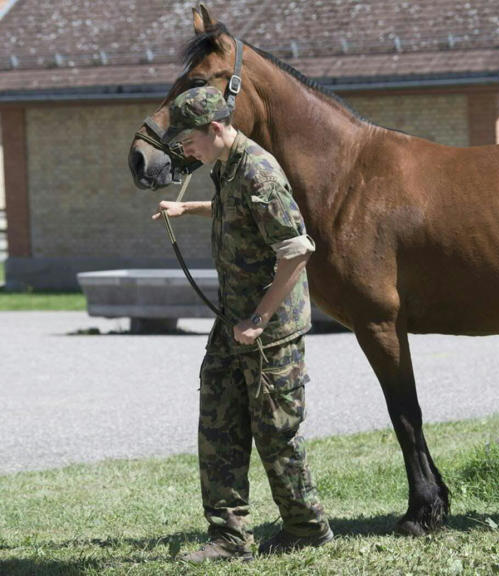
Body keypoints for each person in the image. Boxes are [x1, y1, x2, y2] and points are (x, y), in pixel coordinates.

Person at [153, 86, 333, 562]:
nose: (182, 149)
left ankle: (306, 527)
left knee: (276, 432)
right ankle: (229, 538)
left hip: (267, 329)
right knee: (218, 421)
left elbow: (297, 250)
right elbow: (241, 212)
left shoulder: (258, 170)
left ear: (215, 128)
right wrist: (185, 207)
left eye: (187, 139)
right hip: (233, 322)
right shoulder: (227, 166)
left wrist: (259, 318)